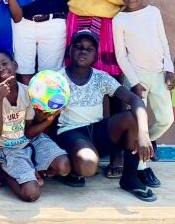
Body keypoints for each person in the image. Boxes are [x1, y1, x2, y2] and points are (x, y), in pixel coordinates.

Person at [63, 0, 135, 176]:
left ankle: (117, 155)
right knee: (75, 80)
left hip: (107, 23)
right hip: (78, 20)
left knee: (113, 85)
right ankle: (73, 143)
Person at [54, 30, 156, 202]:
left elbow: (134, 99)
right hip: (71, 133)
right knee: (88, 167)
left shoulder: (101, 78)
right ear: (69, 51)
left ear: (95, 55)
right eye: (78, 47)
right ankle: (74, 167)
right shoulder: (57, 79)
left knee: (131, 118)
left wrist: (144, 134)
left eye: (89, 48)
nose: (83, 51)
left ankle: (129, 179)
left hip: (98, 132)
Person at [111, 0, 173, 188]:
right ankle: (142, 168)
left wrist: (169, 68)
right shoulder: (119, 20)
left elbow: (163, 42)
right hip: (136, 79)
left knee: (166, 119)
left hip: (158, 74)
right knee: (139, 125)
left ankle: (149, 144)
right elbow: (121, 55)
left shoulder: (154, 12)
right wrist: (134, 82)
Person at [0, 50, 70, 202]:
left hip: (31, 141)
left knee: (64, 167)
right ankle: (1, 167)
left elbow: (28, 133)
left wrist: (49, 120)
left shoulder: (28, 91)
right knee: (30, 194)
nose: (1, 69)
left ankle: (31, 168)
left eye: (4, 63)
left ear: (14, 65)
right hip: (8, 148)